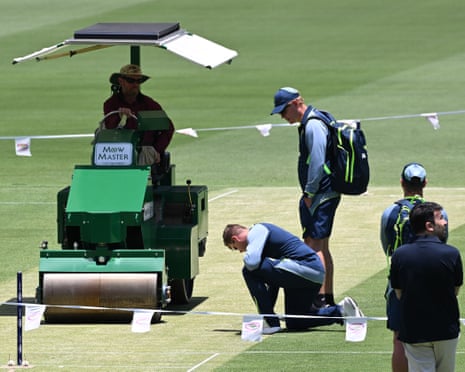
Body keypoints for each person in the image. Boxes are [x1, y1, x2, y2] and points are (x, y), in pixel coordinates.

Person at [223, 223, 363, 334]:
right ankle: (341, 310)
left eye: (235, 247)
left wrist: (269, 317)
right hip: (309, 276)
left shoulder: (257, 230)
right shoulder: (260, 243)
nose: (241, 251)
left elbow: (252, 263)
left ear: (235, 239)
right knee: (295, 321)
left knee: (248, 270)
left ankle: (269, 322)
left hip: (305, 268)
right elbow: (273, 282)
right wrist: (270, 312)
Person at [270, 87, 340, 307]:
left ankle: (319, 299)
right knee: (321, 245)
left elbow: (318, 161)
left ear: (296, 104)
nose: (283, 116)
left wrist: (309, 192)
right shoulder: (312, 122)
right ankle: (326, 296)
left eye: (284, 110)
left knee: (315, 245)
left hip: (320, 193)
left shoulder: (313, 125)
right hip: (324, 192)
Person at [380, 163, 450, 372]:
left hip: (400, 283)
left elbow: (387, 246)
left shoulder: (390, 211)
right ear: (425, 183)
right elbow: (443, 245)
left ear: (402, 182)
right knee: (435, 339)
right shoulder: (438, 212)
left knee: (399, 340)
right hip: (434, 284)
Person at [390, 202, 462, 372]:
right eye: (440, 218)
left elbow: (399, 293)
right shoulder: (452, 253)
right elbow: (455, 290)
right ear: (429, 226)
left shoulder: (400, 255)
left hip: (414, 330)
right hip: (446, 329)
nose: (444, 222)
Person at [103, 64, 175, 179]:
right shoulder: (111, 104)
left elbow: (168, 127)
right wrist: (119, 116)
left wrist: (156, 149)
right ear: (121, 81)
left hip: (144, 151)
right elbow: (109, 126)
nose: (135, 85)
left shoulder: (149, 104)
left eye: (138, 81)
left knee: (145, 153)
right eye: (131, 81)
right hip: (119, 152)